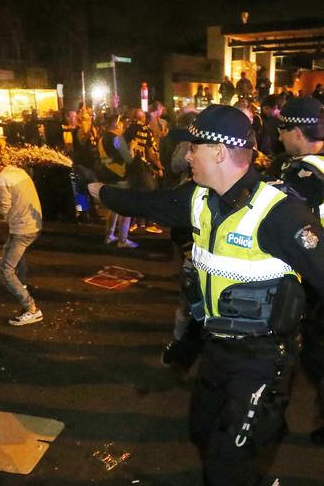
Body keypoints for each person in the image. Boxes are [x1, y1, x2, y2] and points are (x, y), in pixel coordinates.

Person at [86, 104, 324, 486]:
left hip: (263, 359)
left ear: (219, 153)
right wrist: (98, 190)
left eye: (193, 147)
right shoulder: (197, 198)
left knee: (225, 465)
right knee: (200, 431)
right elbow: (146, 204)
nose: (187, 155)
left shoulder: (280, 214)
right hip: (216, 349)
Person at [274, 97, 324, 445]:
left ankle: (268, 418)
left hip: (312, 275)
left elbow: (286, 225)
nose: (277, 137)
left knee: (299, 349)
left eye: (281, 130)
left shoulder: (302, 172)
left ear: (295, 131)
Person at [0, 157, 44, 326]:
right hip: (33, 225)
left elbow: (4, 208)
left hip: (22, 229)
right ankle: (22, 287)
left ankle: (31, 309)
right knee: (16, 258)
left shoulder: (1, 179)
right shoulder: (18, 171)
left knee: (5, 271)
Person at [97, 113, 137, 248]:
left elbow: (104, 159)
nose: (123, 127)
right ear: (117, 124)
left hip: (107, 176)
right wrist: (131, 147)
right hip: (121, 177)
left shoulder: (101, 139)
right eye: (122, 124)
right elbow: (129, 159)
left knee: (113, 208)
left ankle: (109, 235)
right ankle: (123, 240)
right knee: (126, 209)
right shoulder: (118, 140)